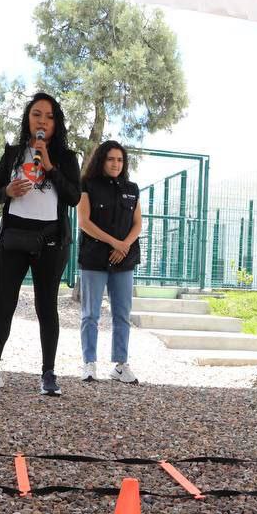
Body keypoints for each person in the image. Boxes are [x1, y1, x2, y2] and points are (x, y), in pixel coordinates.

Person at [0, 92, 81, 395]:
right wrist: (8, 190)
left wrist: (51, 166)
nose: (42, 121)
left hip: (51, 241)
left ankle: (48, 375)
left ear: (57, 123)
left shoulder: (67, 158)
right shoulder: (14, 153)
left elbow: (73, 197)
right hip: (14, 238)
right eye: (36, 114)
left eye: (49, 116)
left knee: (47, 306)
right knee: (4, 303)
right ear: (28, 119)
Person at [76, 140, 142, 384]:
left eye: (120, 160)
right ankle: (89, 363)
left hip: (123, 260)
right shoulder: (88, 185)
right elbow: (84, 222)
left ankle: (120, 365)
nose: (116, 164)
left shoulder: (132, 188)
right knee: (90, 314)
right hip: (95, 259)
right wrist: (115, 242)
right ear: (102, 160)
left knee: (122, 314)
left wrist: (123, 246)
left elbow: (137, 223)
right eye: (111, 159)